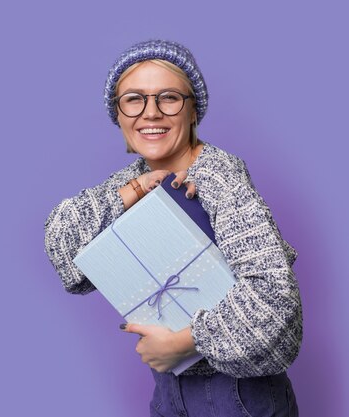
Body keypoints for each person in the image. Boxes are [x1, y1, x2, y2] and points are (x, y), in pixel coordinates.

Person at [43, 39, 302, 417]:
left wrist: (185, 342)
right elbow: (63, 247)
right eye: (134, 99)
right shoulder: (137, 179)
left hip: (237, 397)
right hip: (169, 394)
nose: (151, 113)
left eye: (168, 97)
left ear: (193, 109)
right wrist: (131, 192)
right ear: (118, 114)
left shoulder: (218, 178)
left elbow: (276, 305)